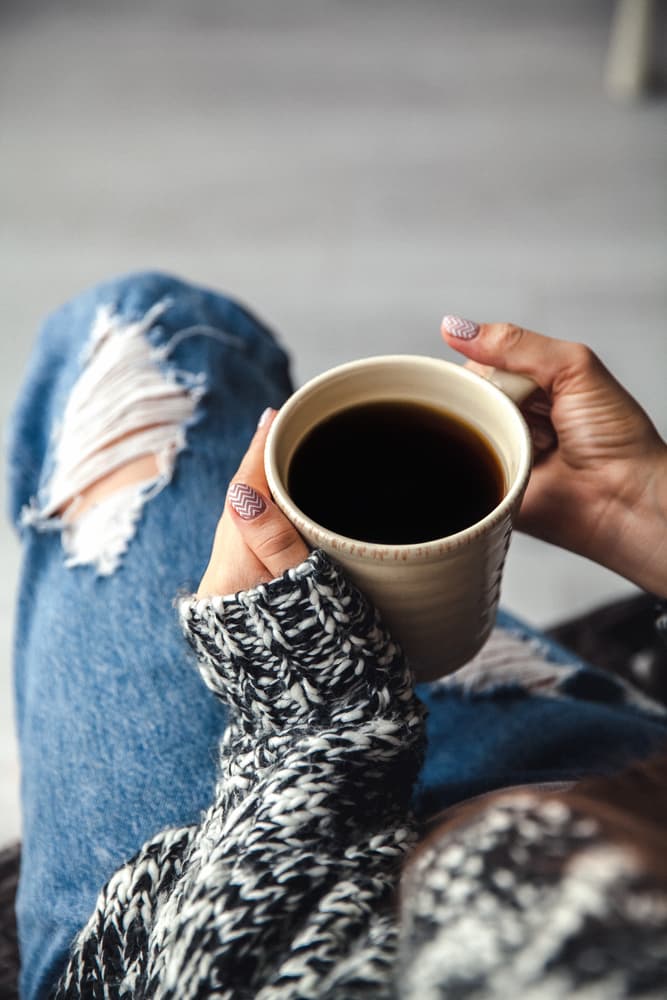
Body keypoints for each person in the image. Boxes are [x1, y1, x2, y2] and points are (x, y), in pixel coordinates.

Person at [7, 273, 667, 999]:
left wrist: (318, 716)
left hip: (198, 921)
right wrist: (638, 512)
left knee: (145, 320)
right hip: (609, 781)